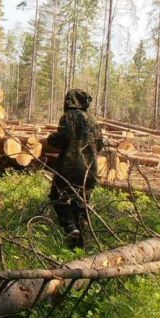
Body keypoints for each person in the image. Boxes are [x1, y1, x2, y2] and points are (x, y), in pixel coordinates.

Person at [46, 88, 104, 248]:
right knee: (81, 204)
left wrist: (50, 139)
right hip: (90, 170)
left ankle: (70, 227)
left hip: (69, 168)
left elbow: (60, 140)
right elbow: (100, 144)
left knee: (57, 197)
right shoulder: (92, 120)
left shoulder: (67, 117)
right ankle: (80, 245)